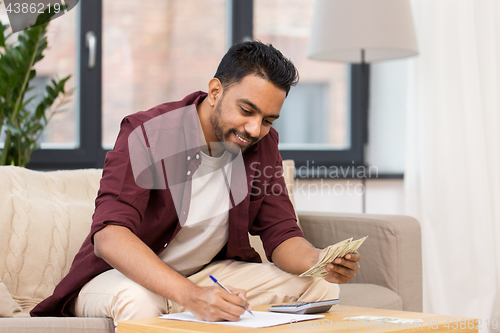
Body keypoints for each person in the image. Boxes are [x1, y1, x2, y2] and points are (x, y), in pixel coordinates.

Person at [31, 41, 360, 325]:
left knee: (321, 287)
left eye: (267, 120)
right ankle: (185, 307)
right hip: (123, 279)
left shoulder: (263, 144)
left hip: (206, 276)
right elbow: (110, 236)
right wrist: (192, 296)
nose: (254, 128)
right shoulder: (147, 133)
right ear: (215, 91)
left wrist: (319, 261)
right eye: (247, 110)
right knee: (139, 302)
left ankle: (191, 308)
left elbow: (282, 234)